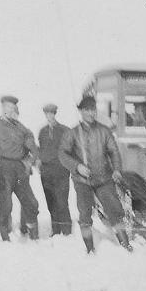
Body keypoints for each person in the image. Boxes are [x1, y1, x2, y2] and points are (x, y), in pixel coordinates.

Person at [58, 95, 132, 253]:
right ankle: (90, 249)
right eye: (87, 110)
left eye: (93, 110)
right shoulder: (72, 133)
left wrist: (117, 169)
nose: (91, 113)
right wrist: (77, 166)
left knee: (114, 210)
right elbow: (63, 154)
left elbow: (114, 151)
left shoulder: (104, 131)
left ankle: (126, 245)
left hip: (103, 179)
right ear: (81, 111)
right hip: (82, 181)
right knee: (84, 214)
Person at [0, 95, 40, 241]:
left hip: (20, 169)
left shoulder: (19, 126)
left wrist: (29, 154)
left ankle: (33, 235)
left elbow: (29, 138)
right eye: (8, 107)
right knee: (6, 205)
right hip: (4, 169)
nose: (11, 110)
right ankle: (4, 236)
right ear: (2, 108)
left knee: (31, 202)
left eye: (13, 107)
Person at [38, 103, 72, 236]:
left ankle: (67, 232)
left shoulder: (65, 130)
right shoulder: (42, 131)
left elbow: (70, 150)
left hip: (61, 171)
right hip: (46, 172)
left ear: (55, 114)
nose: (49, 116)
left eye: (52, 113)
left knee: (62, 202)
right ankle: (56, 231)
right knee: (51, 203)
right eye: (47, 113)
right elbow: (41, 149)